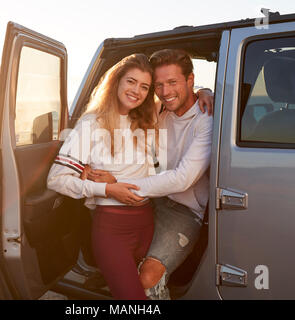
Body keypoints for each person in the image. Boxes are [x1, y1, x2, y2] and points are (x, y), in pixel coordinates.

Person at [87, 49, 213, 300]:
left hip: (184, 211)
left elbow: (182, 179)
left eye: (173, 82)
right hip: (153, 200)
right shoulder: (160, 110)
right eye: (159, 85)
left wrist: (120, 184)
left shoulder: (206, 118)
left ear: (190, 80)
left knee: (146, 279)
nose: (165, 92)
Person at [47, 53, 158, 299]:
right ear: (116, 80)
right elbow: (56, 179)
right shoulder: (91, 124)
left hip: (148, 224)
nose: (136, 91)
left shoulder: (145, 119)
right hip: (112, 230)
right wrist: (107, 190)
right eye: (131, 81)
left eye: (144, 87)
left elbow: (180, 96)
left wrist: (206, 94)